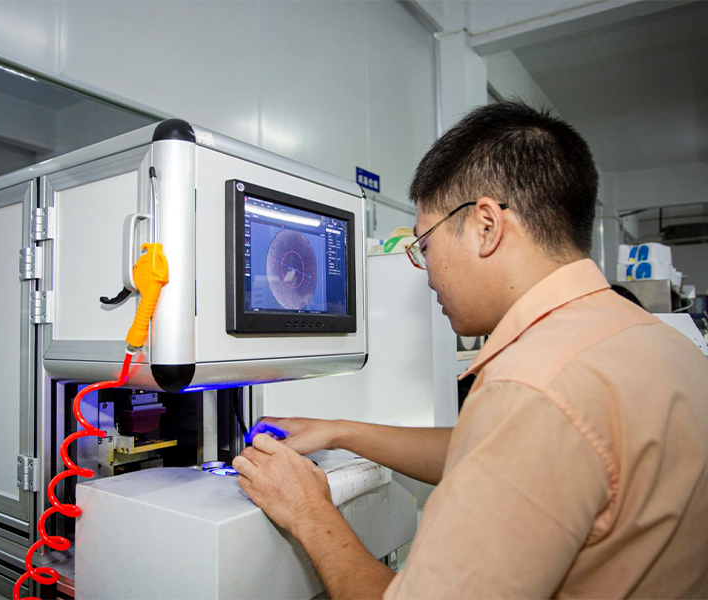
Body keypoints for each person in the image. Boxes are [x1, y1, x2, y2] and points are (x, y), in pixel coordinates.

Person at [231, 102, 708, 598]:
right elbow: (490, 452)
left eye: (425, 246)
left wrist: (309, 511)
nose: (427, 274)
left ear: (486, 226)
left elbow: (523, 427)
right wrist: (340, 431)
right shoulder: (659, 341)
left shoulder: (531, 388)